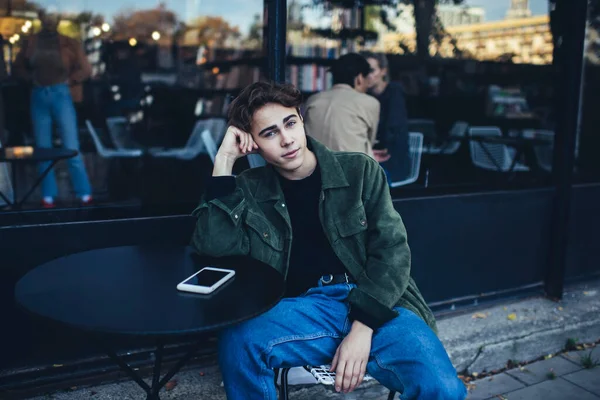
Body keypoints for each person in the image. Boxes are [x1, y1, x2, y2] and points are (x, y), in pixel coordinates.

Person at [191, 81, 467, 400]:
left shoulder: (360, 171)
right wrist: (224, 161)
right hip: (302, 310)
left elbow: (392, 253)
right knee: (238, 341)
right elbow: (213, 247)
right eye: (269, 133)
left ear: (301, 119)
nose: (286, 139)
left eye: (290, 123)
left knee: (444, 389)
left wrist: (362, 328)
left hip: (376, 304)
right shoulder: (248, 188)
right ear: (252, 142)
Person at [13, 9, 92, 208]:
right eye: (46, 18)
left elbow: (86, 69)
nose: (50, 21)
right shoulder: (31, 42)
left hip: (61, 93)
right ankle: (48, 195)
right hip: (39, 93)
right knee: (43, 147)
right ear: (40, 19)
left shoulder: (68, 42)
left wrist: (71, 80)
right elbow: (18, 68)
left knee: (71, 144)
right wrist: (30, 78)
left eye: (53, 18)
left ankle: (84, 193)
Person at [304, 53, 384, 159]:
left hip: (315, 168)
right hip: (352, 170)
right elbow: (370, 141)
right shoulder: (370, 103)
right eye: (366, 80)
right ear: (359, 78)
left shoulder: (312, 100)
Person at [363, 51, 411, 183]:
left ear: (383, 71)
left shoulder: (394, 92)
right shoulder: (365, 96)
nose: (368, 75)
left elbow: (393, 130)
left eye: (372, 70)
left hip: (392, 160)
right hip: (371, 157)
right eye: (364, 71)